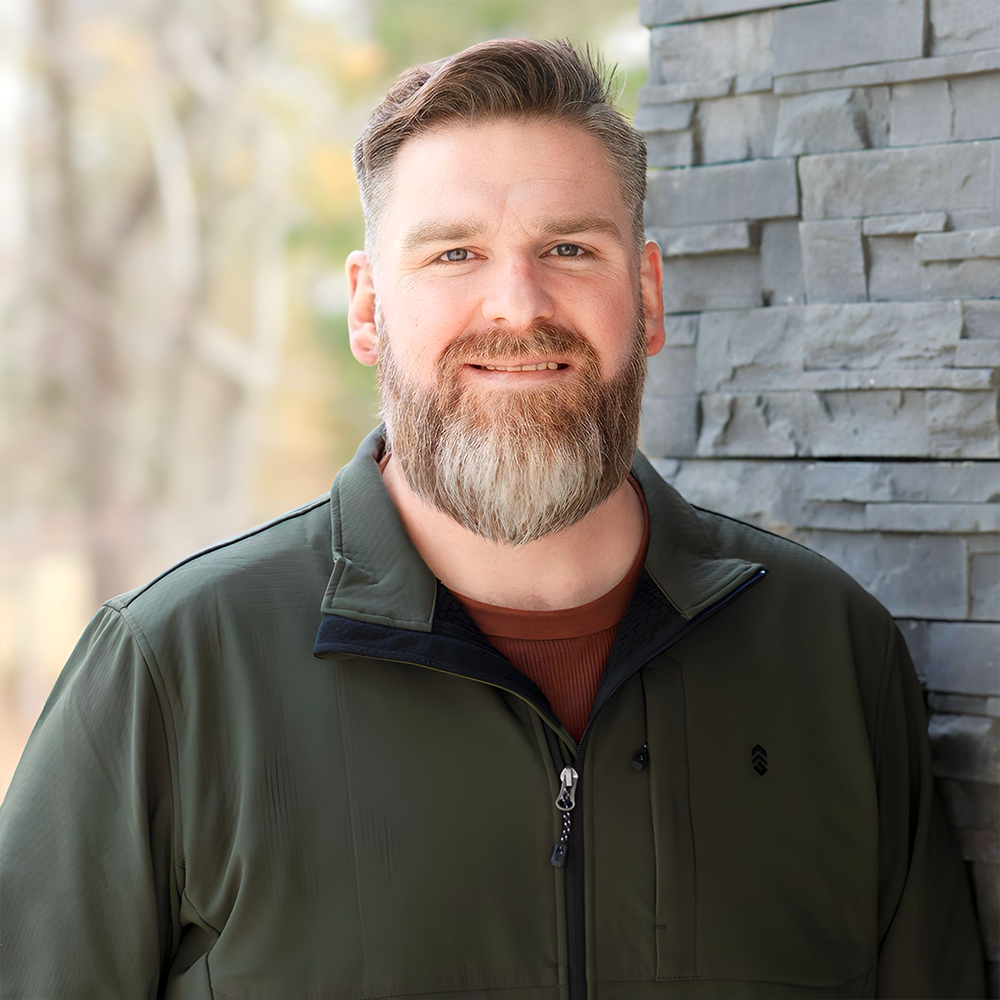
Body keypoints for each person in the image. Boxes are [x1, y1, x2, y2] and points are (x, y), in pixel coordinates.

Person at [0, 38, 986, 1000]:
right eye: (453, 252)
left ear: (644, 295)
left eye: (568, 247)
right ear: (367, 307)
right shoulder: (171, 674)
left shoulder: (829, 655)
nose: (516, 305)